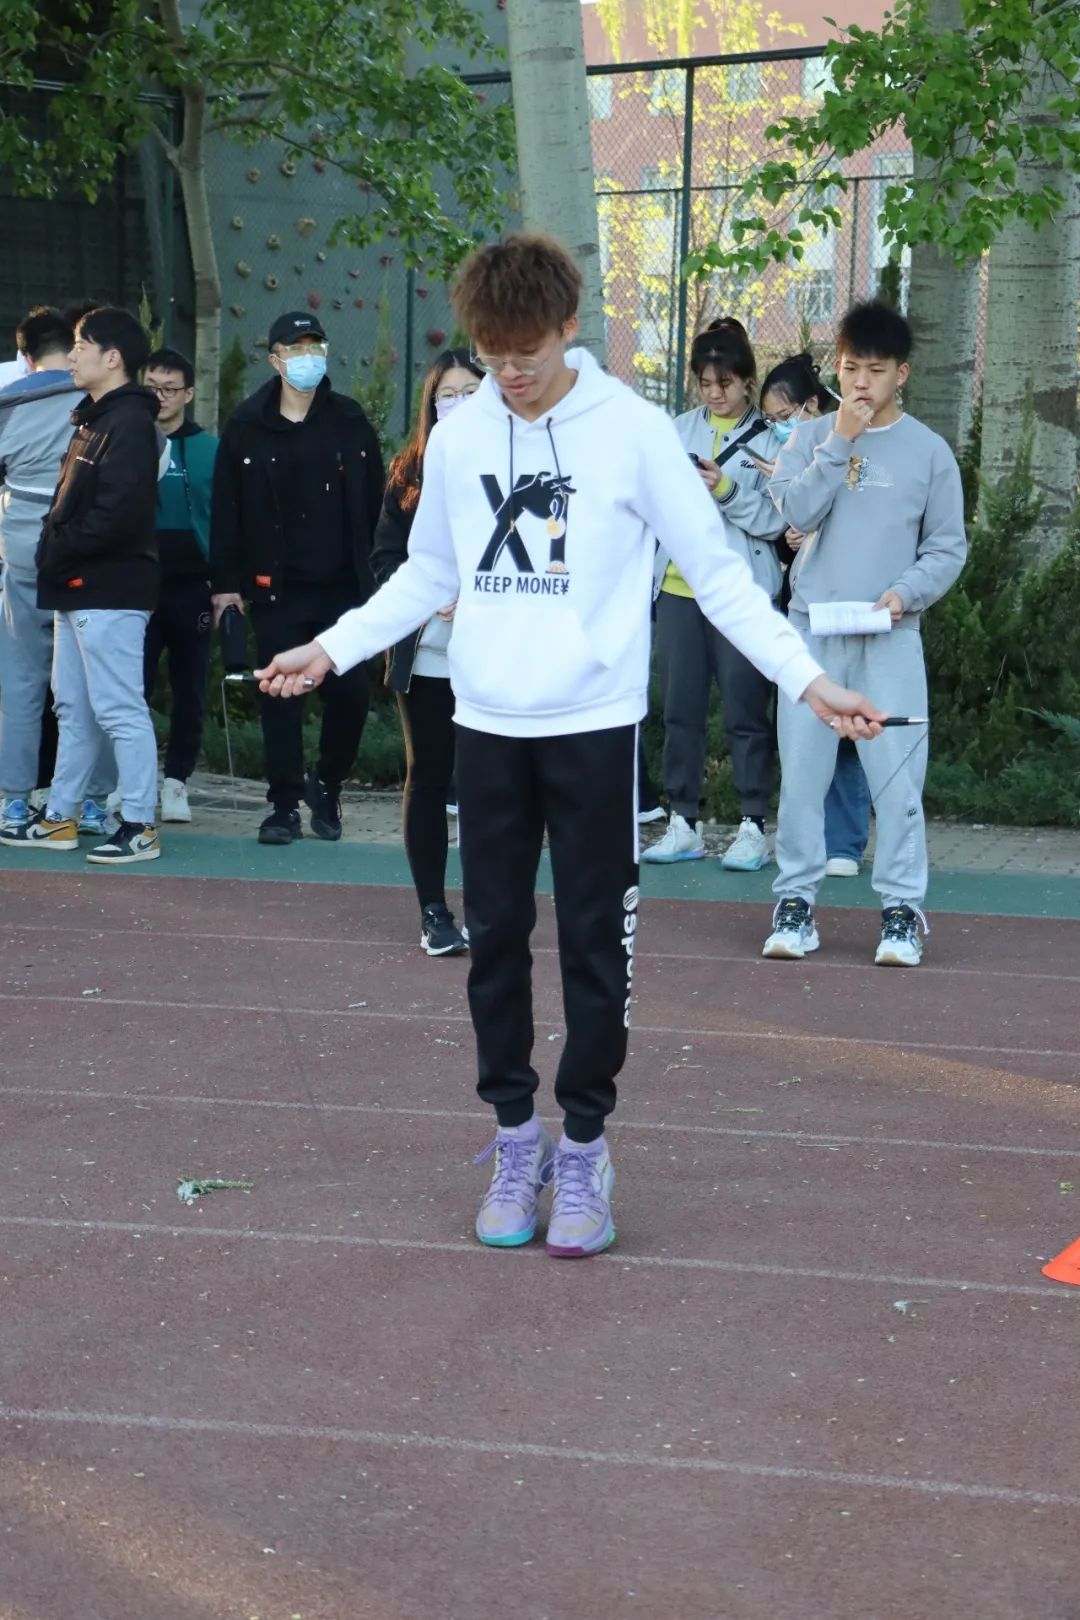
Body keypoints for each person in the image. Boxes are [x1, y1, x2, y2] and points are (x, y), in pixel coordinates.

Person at [253, 233, 885, 1259]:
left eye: (527, 354)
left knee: (598, 946)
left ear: (568, 328)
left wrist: (807, 680)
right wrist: (331, 648)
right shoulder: (461, 435)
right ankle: (516, 1140)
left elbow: (720, 576)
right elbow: (428, 573)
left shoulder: (631, 432)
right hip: (487, 726)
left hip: (594, 730)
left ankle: (585, 1145)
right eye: (491, 355)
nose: (509, 373)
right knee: (494, 942)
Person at [763, 300, 966, 967]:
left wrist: (906, 592)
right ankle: (795, 904)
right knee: (802, 778)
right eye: (851, 368)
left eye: (875, 371)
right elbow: (794, 512)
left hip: (889, 635)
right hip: (811, 635)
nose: (860, 383)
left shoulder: (929, 452)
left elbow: (947, 548)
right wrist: (839, 441)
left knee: (898, 781)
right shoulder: (807, 438)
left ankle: (902, 911)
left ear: (900, 374)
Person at [210, 310, 384, 845]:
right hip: (276, 589)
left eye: (316, 347)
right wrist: (225, 586)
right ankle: (283, 805)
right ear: (275, 359)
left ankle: (327, 782)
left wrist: (381, 578)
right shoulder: (246, 426)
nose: (308, 357)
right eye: (296, 348)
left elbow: (376, 505)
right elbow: (227, 511)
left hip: (344, 588)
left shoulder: (349, 421)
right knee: (280, 695)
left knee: (351, 695)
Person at [2, 306, 163, 863]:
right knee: (73, 707)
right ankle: (61, 817)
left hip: (109, 589)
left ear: (112, 358)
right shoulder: (96, 417)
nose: (70, 356)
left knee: (118, 708)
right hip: (78, 586)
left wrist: (57, 549)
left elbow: (116, 515)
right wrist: (56, 554)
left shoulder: (129, 424)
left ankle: (139, 824)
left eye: (80, 345)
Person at [643, 317, 786, 873]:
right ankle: (683, 822)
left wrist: (724, 489)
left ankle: (753, 824)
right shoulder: (677, 430)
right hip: (677, 589)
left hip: (739, 593)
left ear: (747, 380)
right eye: (704, 383)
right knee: (680, 710)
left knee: (747, 711)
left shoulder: (773, 439)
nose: (714, 393)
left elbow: (777, 522)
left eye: (724, 383)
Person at [372, 349, 482, 957]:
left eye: (471, 393)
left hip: (494, 655)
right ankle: (434, 911)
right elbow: (385, 557)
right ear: (431, 405)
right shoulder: (407, 471)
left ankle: (490, 905)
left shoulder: (514, 465)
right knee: (430, 774)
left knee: (492, 781)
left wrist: (478, 595)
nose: (459, 405)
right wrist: (428, 593)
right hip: (427, 655)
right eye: (448, 395)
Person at [0, 306, 117, 840]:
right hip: (91, 552)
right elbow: (153, 465)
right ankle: (93, 803)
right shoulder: (102, 400)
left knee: (21, 678)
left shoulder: (9, 404)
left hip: (24, 552)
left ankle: (14, 802)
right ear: (74, 348)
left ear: (25, 358)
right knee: (96, 680)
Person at [759, 352, 872, 878]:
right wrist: (794, 535)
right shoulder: (799, 446)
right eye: (771, 421)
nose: (779, 428)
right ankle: (803, 851)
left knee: (851, 727)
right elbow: (794, 516)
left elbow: (868, 518)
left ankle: (845, 842)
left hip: (864, 607)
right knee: (808, 726)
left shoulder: (872, 441)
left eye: (785, 416)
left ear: (811, 403)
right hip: (806, 609)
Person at [143, 346, 218, 824]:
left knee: (190, 688)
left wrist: (227, 584)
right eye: (152, 387)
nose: (161, 397)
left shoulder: (210, 449)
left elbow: (229, 521)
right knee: (134, 686)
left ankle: (177, 782)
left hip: (194, 586)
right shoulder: (130, 440)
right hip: (138, 583)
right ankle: (131, 780)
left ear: (189, 394)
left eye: (171, 389)